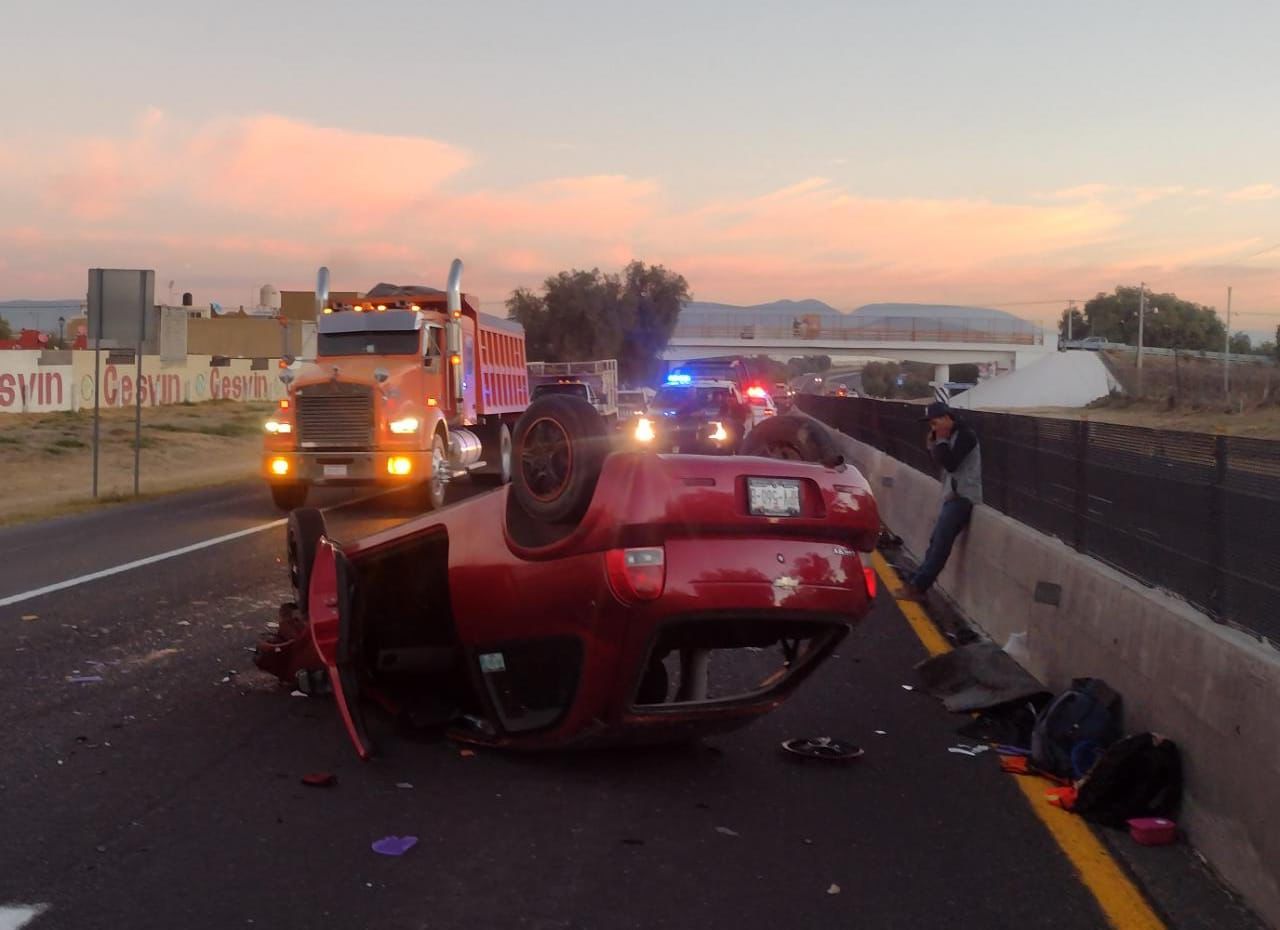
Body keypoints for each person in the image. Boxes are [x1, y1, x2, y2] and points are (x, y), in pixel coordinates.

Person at [894, 401, 982, 601]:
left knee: (941, 545)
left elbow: (951, 464)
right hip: (951, 496)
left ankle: (919, 587)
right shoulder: (949, 436)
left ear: (946, 418)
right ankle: (916, 580)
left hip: (963, 498)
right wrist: (933, 445)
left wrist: (941, 441)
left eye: (935, 423)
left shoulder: (966, 435)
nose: (933, 428)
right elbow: (939, 462)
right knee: (935, 542)